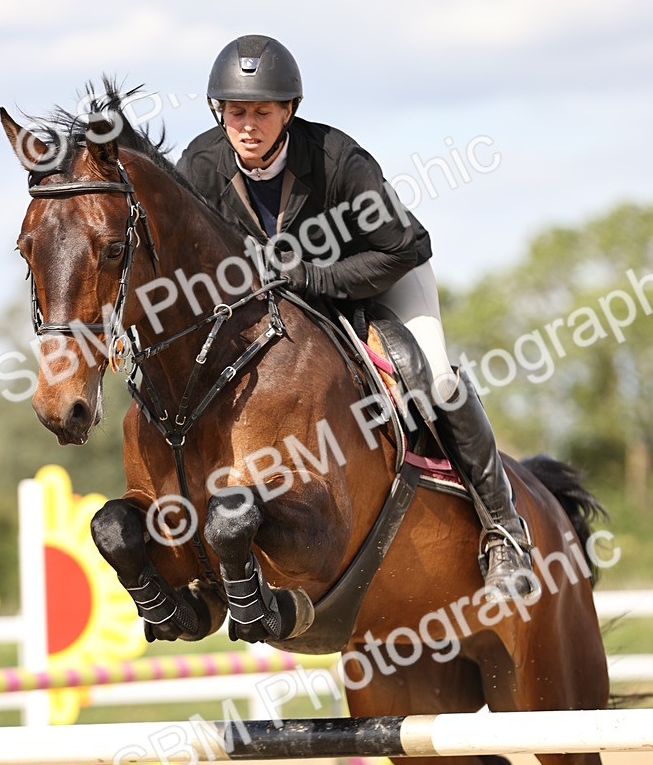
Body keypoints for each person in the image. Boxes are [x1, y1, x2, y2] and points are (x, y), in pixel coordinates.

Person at [178, 34, 540, 603]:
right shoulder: (201, 165)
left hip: (381, 275)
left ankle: (504, 530)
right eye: (237, 112)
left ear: (288, 111)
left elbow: (403, 247)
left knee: (436, 379)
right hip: (281, 306)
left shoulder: (336, 159)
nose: (248, 126)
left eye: (262, 112)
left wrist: (312, 278)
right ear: (219, 111)